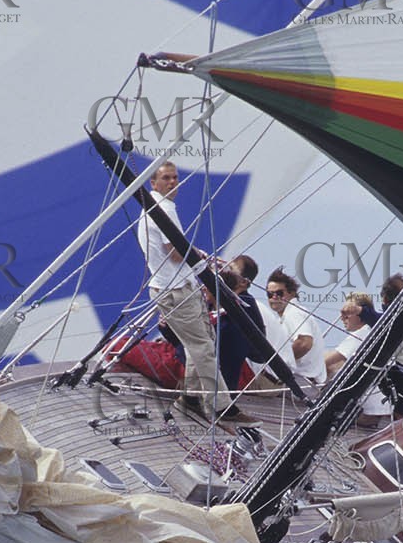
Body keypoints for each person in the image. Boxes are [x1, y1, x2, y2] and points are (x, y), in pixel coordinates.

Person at [139, 161, 219, 419]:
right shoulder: (163, 208)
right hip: (177, 290)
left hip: (174, 288)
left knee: (199, 344)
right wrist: (196, 255)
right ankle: (224, 406)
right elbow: (175, 253)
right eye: (166, 178)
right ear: (153, 183)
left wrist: (195, 254)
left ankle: (192, 398)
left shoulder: (156, 207)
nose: (173, 182)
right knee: (202, 347)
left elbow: (175, 250)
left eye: (175, 177)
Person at [324, 294, 392, 426]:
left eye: (347, 313)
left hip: (369, 414)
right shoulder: (373, 331)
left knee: (328, 370)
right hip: (382, 410)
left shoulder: (363, 332)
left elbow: (324, 362)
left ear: (360, 312)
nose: (342, 318)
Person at [263, 268, 325, 389]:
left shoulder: (294, 312)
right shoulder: (287, 315)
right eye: (269, 294)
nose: (273, 297)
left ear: (291, 293)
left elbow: (304, 343)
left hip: (301, 383)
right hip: (302, 382)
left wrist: (277, 366)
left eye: (279, 293)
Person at [214, 254, 263, 393]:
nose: (222, 270)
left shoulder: (243, 305)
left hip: (223, 377)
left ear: (243, 283)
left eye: (229, 268)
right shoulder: (221, 296)